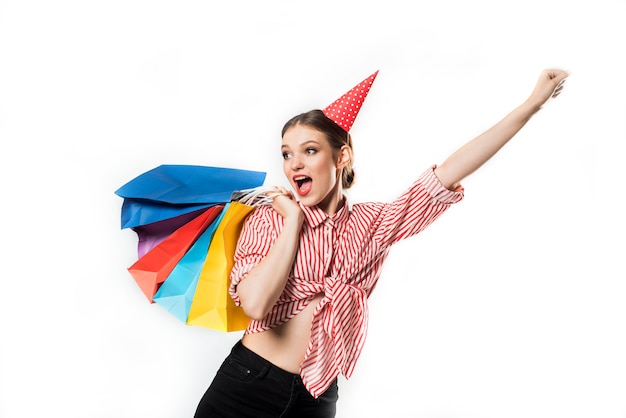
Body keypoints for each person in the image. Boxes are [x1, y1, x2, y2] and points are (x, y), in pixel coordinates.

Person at [193, 68, 569, 418]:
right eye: (287, 154)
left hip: (318, 395)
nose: (294, 164)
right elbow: (257, 304)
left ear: (342, 156)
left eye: (310, 150)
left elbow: (449, 172)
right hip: (246, 385)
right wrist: (292, 220)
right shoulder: (269, 218)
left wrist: (531, 105)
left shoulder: (374, 224)